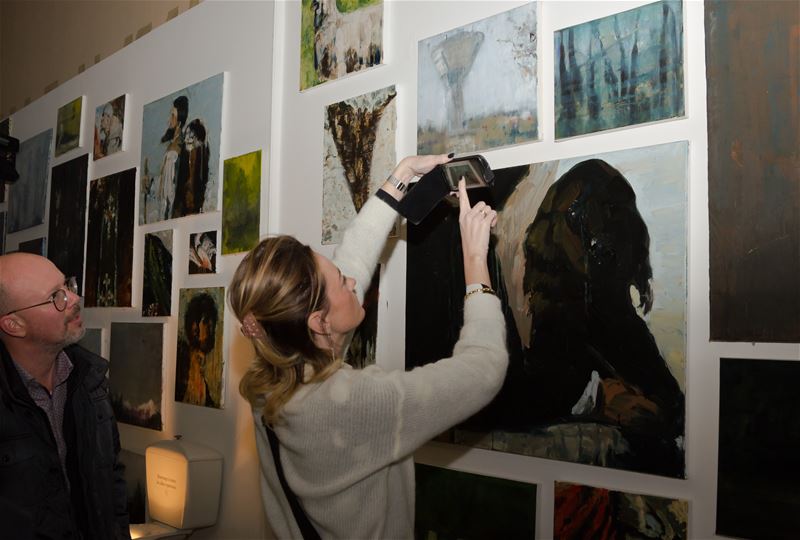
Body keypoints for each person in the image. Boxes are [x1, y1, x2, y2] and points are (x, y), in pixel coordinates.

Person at [228, 154, 508, 538]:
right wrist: (476, 258)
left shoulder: (270, 382)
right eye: (341, 281)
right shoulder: (355, 404)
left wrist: (401, 176)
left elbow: (353, 258)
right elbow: (484, 370)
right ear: (318, 323)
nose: (352, 281)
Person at [0, 253, 130, 539]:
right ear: (14, 325)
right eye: (55, 296)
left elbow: (111, 482)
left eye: (67, 285)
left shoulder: (90, 380)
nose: (74, 299)